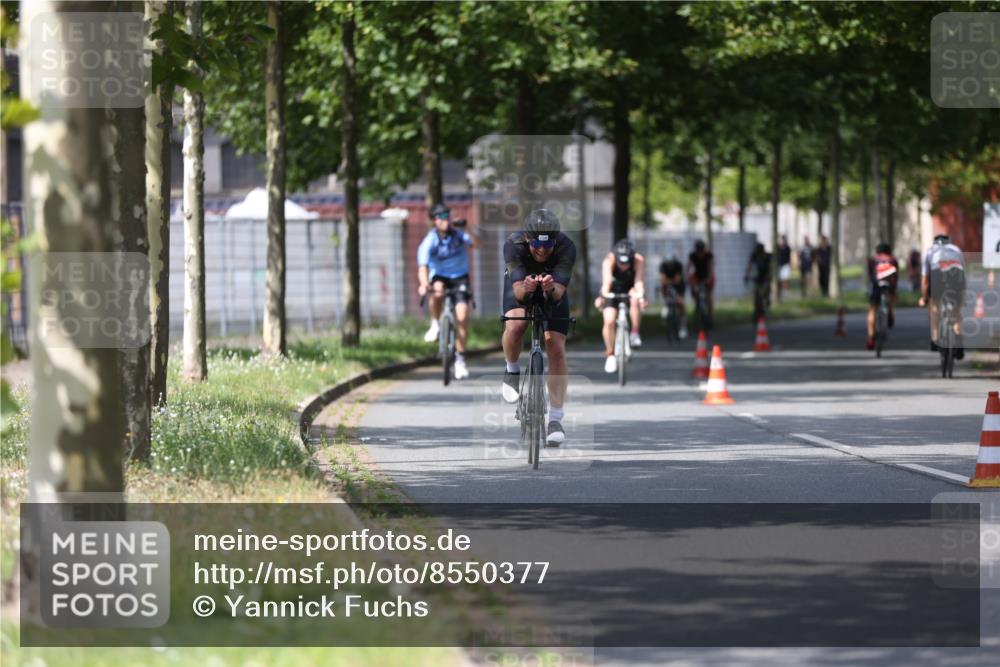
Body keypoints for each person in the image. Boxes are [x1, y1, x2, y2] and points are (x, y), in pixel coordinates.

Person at [500, 209, 576, 446]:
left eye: (548, 245)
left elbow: (559, 294)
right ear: (527, 238)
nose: (542, 250)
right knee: (516, 324)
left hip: (552, 287)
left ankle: (555, 419)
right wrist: (528, 286)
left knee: (556, 348)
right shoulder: (514, 244)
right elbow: (519, 293)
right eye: (536, 245)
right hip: (521, 284)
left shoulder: (566, 247)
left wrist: (550, 288)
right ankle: (512, 371)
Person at [417, 203, 479, 380]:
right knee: (436, 291)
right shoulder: (430, 240)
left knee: (462, 316)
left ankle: (459, 360)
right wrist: (423, 284)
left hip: (460, 277)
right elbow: (422, 267)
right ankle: (435, 323)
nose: (445, 220)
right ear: (434, 221)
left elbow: (477, 244)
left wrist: (467, 228)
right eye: (441, 217)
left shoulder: (459, 235)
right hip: (440, 276)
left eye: (447, 216)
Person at [595, 238, 647, 373]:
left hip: (630, 287)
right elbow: (606, 283)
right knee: (609, 321)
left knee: (635, 299)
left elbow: (639, 281)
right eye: (621, 263)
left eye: (627, 263)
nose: (624, 266)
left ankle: (635, 333)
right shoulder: (608, 260)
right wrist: (602, 296)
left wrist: (641, 296)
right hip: (613, 288)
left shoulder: (638, 260)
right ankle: (610, 353)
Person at [918, 234, 966, 358]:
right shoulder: (957, 249)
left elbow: (925, 280)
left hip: (937, 274)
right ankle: (959, 342)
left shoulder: (930, 251)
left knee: (934, 308)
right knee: (956, 312)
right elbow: (963, 273)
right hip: (956, 273)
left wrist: (924, 298)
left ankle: (935, 339)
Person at [866, 242, 899, 350]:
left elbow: (870, 274)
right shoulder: (893, 259)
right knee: (892, 296)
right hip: (889, 285)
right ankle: (890, 312)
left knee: (872, 309)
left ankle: (870, 338)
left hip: (876, 285)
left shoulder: (874, 259)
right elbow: (896, 275)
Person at [686, 239, 715, 329]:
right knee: (693, 288)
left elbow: (711, 269)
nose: (700, 254)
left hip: (707, 276)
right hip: (697, 276)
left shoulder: (709, 256)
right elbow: (688, 267)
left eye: (701, 251)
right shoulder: (692, 256)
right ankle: (697, 303)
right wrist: (688, 278)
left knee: (708, 294)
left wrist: (708, 279)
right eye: (698, 251)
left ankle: (710, 316)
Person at [658, 254, 687, 339]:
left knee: (681, 303)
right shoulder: (663, 266)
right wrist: (667, 282)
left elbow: (677, 280)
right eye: (668, 264)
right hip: (667, 284)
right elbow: (662, 279)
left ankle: (683, 326)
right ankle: (666, 304)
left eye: (671, 264)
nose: (670, 265)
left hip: (679, 285)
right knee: (663, 287)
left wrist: (669, 281)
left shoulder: (678, 266)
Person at [744, 242, 771, 321]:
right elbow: (750, 266)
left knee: (764, 293)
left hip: (765, 277)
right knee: (756, 294)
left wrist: (768, 280)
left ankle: (765, 307)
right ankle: (757, 311)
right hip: (757, 278)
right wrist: (747, 276)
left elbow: (769, 269)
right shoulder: (754, 255)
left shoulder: (766, 257)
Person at [777, 235, 791, 300]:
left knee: (785, 279)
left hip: (785, 265)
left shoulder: (787, 247)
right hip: (780, 265)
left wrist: (789, 264)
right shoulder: (778, 248)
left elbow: (789, 257)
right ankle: (781, 291)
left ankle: (785, 292)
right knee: (781, 279)